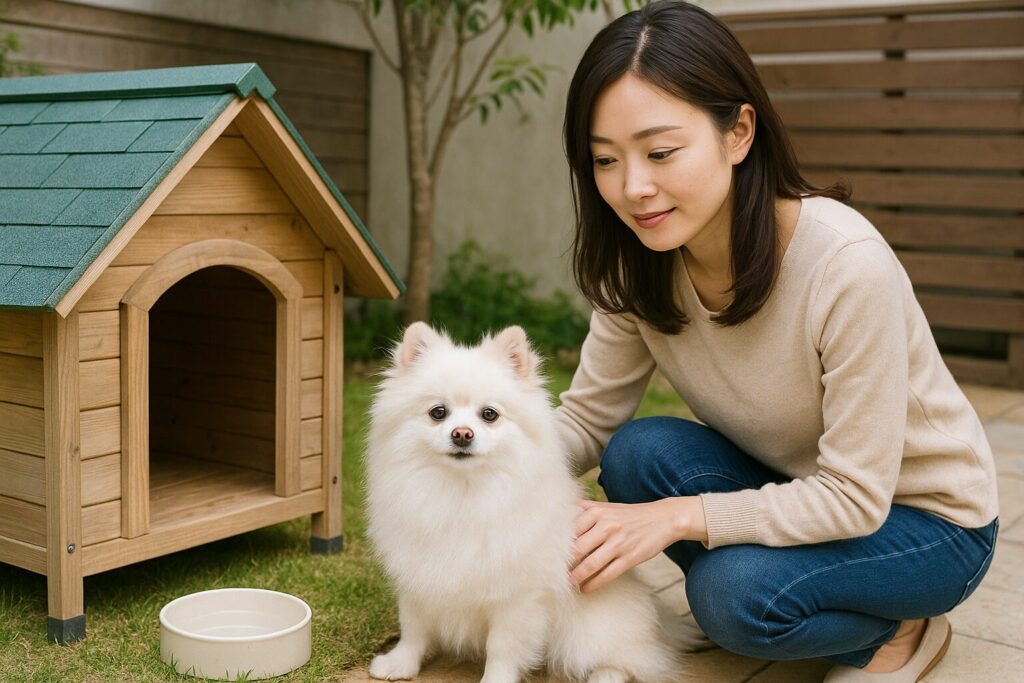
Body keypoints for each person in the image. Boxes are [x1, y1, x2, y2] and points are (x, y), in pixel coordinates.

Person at [554, 2, 1000, 681]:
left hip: (928, 525)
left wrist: (680, 517)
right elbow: (586, 421)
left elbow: (854, 495)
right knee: (637, 453)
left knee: (733, 597)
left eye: (661, 152)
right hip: (799, 484)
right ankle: (783, 593)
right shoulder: (637, 262)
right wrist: (475, 471)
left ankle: (895, 632)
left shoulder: (845, 266)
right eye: (605, 160)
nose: (633, 187)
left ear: (738, 133)